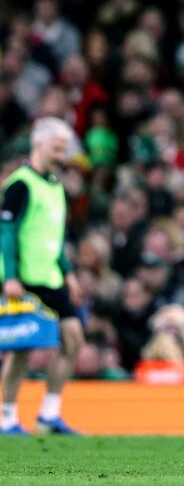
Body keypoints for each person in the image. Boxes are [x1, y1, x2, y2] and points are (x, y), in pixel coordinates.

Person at [0, 117, 85, 435]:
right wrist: (10, 275)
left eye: (64, 148)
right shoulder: (20, 184)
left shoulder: (54, 185)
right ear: (39, 143)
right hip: (24, 278)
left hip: (51, 277)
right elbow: (6, 233)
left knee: (73, 339)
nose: (61, 154)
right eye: (57, 147)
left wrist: (68, 272)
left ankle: (49, 414)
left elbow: (54, 236)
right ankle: (7, 417)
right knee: (22, 348)